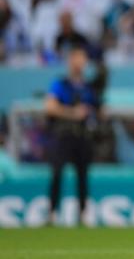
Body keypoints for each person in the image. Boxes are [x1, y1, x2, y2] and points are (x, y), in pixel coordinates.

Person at [45, 45, 106, 225]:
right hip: (63, 135)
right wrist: (73, 112)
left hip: (83, 136)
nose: (79, 63)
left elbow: (100, 111)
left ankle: (83, 214)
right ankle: (52, 213)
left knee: (83, 176)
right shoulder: (61, 84)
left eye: (82, 59)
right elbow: (50, 107)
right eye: (75, 59)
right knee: (57, 173)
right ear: (70, 61)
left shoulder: (89, 88)